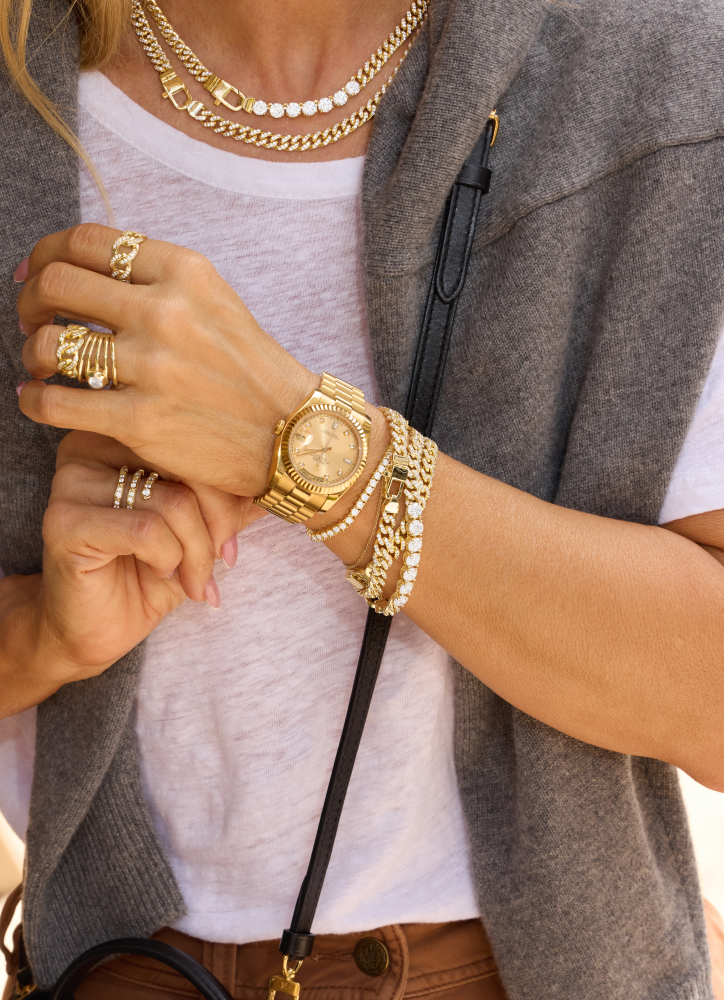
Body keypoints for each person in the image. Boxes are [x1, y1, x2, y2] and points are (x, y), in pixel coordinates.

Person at [1, 0, 724, 996]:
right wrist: (37, 633)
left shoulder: (663, 79)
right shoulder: (21, 97)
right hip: (116, 967)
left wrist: (308, 452)